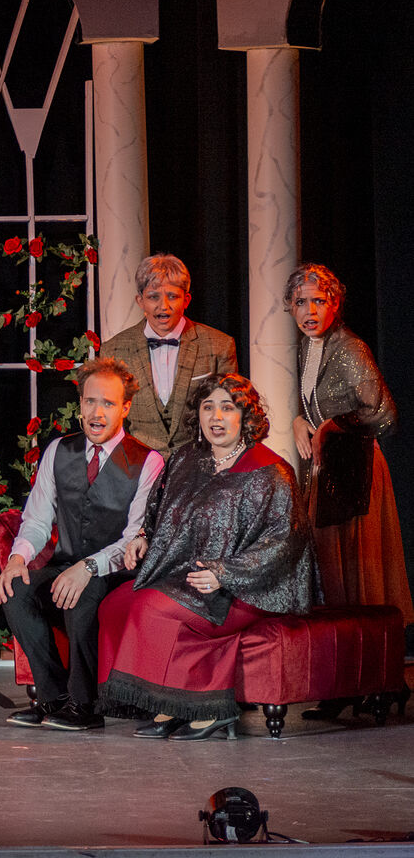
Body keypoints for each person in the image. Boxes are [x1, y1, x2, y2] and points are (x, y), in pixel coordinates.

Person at [98, 373, 313, 740]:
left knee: (151, 608)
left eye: (227, 408)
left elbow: (284, 543)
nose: (216, 417)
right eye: (208, 407)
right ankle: (170, 702)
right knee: (114, 605)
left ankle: (192, 705)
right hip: (185, 576)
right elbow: (159, 510)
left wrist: (224, 574)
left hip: (250, 588)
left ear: (245, 416)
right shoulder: (186, 459)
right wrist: (143, 537)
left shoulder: (272, 471)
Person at [0, 357, 165, 731]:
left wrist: (89, 568)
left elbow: (134, 537)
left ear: (125, 408)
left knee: (83, 594)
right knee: (16, 591)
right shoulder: (59, 450)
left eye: (108, 403)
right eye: (90, 401)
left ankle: (85, 706)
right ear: (80, 404)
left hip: (117, 573)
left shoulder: (148, 462)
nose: (97, 413)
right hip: (66, 563)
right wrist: (18, 559)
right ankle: (54, 698)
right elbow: (37, 520)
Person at [285, 263, 412, 627]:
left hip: (357, 467)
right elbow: (318, 403)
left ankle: (368, 645)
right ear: (290, 307)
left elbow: (384, 414)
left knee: (355, 566)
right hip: (325, 467)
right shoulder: (306, 348)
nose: (310, 311)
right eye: (301, 302)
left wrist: (334, 425)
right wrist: (298, 421)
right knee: (327, 564)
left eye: (319, 301)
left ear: (335, 304)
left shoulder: (350, 348)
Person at [101, 253, 238, 454]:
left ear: (186, 300)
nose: (163, 306)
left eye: (172, 296)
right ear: (140, 300)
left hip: (200, 462)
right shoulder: (113, 349)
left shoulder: (219, 345)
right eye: (153, 297)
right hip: (137, 464)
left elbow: (229, 415)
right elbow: (110, 418)